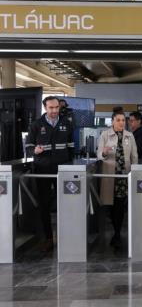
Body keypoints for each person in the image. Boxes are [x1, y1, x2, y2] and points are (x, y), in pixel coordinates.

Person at [26, 96, 74, 252]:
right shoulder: (36, 125)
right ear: (45, 108)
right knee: (44, 204)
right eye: (51, 108)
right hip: (43, 169)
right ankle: (48, 238)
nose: (54, 111)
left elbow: (71, 146)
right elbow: (28, 147)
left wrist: (71, 165)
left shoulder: (66, 123)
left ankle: (68, 237)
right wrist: (34, 150)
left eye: (56, 107)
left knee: (66, 202)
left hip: (63, 169)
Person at [97, 107, 138, 248]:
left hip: (123, 176)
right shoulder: (105, 135)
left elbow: (134, 156)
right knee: (111, 205)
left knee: (120, 205)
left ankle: (117, 233)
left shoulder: (129, 136)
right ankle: (115, 231)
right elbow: (99, 154)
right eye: (118, 120)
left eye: (123, 120)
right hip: (109, 176)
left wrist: (134, 172)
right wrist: (104, 152)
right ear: (113, 121)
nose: (121, 123)